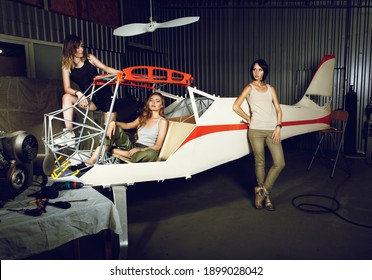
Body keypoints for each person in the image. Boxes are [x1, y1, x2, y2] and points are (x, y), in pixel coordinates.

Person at [232, 59, 285, 211]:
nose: (256, 72)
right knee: (260, 162)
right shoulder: (249, 88)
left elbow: (278, 109)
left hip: (271, 130)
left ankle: (261, 191)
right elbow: (236, 106)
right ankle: (267, 198)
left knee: (280, 162)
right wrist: (248, 118)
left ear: (264, 72)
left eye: (260, 70)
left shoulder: (270, 88)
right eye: (254, 69)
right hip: (255, 130)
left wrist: (278, 126)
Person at [55, 34, 120, 147]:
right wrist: (78, 93)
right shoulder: (66, 67)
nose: (81, 49)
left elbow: (106, 69)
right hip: (90, 100)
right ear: (70, 48)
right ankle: (69, 134)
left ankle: (110, 155)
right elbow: (67, 88)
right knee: (66, 97)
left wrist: (122, 73)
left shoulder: (89, 58)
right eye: (78, 47)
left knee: (108, 134)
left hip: (105, 97)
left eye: (82, 46)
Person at [73, 92, 168, 169]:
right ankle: (92, 159)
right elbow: (127, 125)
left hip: (146, 150)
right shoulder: (143, 117)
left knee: (152, 155)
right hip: (133, 146)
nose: (153, 103)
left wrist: (139, 149)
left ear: (162, 105)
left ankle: (114, 151)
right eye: (151, 100)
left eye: (157, 101)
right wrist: (114, 123)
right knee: (115, 129)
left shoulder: (162, 121)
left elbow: (158, 146)